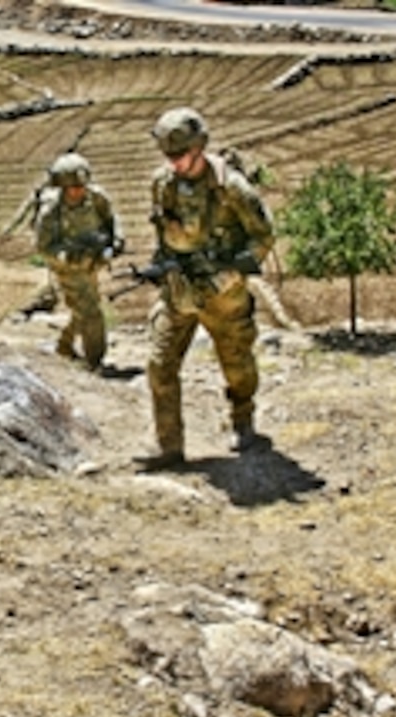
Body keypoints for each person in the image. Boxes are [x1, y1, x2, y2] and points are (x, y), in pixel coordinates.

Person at [133, 107, 275, 472]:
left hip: (223, 295)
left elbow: (263, 237)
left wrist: (228, 275)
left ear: (200, 146)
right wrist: (163, 267)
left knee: (238, 365)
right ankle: (169, 445)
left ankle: (243, 421)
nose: (175, 163)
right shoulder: (162, 183)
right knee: (159, 364)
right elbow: (163, 230)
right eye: (168, 155)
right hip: (179, 291)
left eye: (180, 154)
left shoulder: (231, 188)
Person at [32, 152, 124, 371]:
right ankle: (95, 361)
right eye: (72, 188)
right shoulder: (52, 210)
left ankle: (64, 345)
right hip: (68, 269)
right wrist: (67, 257)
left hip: (93, 262)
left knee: (82, 307)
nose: (78, 191)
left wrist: (116, 241)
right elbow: (43, 246)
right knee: (91, 310)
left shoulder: (97, 198)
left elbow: (112, 219)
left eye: (81, 186)